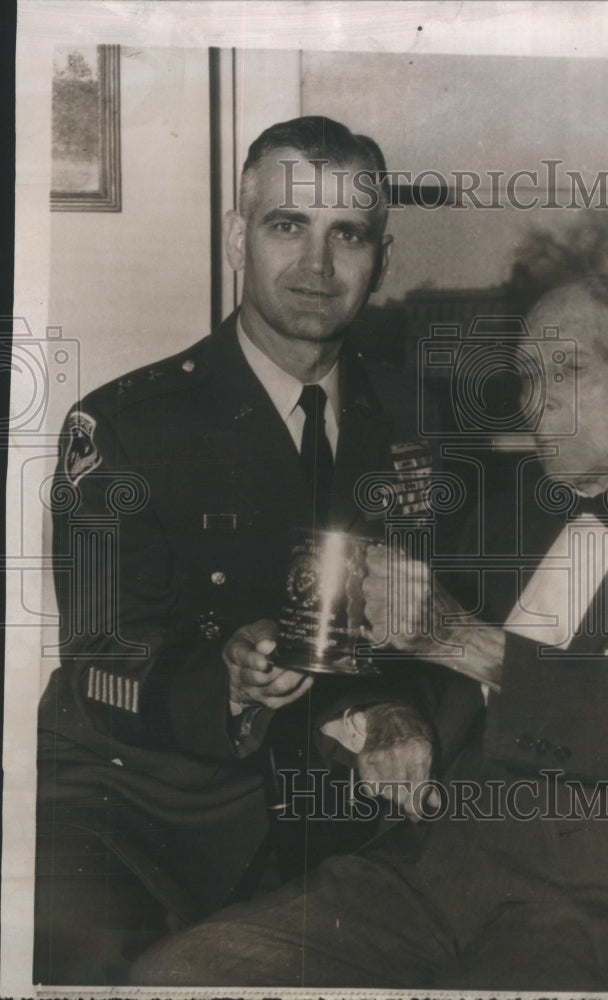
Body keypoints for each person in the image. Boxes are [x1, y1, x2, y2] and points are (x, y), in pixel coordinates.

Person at [130, 275, 608, 991]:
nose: (536, 404)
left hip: (591, 901)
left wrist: (463, 639)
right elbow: (411, 667)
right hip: (429, 867)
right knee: (175, 974)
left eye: (569, 371)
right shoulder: (508, 509)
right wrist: (390, 714)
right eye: (528, 376)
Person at [35, 116, 440, 984]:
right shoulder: (125, 428)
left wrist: (402, 710)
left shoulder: (419, 424)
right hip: (144, 805)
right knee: (84, 954)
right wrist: (222, 681)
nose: (317, 266)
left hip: (333, 804)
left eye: (349, 235)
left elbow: (444, 623)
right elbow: (102, 660)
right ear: (236, 236)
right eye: (287, 225)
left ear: (384, 257)